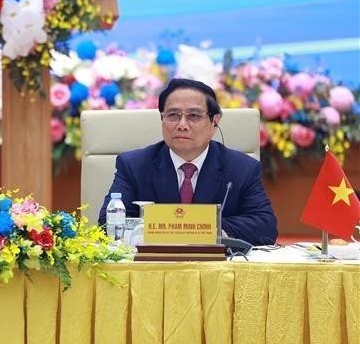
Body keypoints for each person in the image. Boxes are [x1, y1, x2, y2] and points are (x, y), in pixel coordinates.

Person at [98, 78, 278, 245]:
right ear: (162, 119)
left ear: (214, 122)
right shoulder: (133, 165)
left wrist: (201, 228)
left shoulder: (242, 168)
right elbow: (107, 224)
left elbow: (265, 227)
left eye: (194, 116)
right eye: (173, 115)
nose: (182, 124)